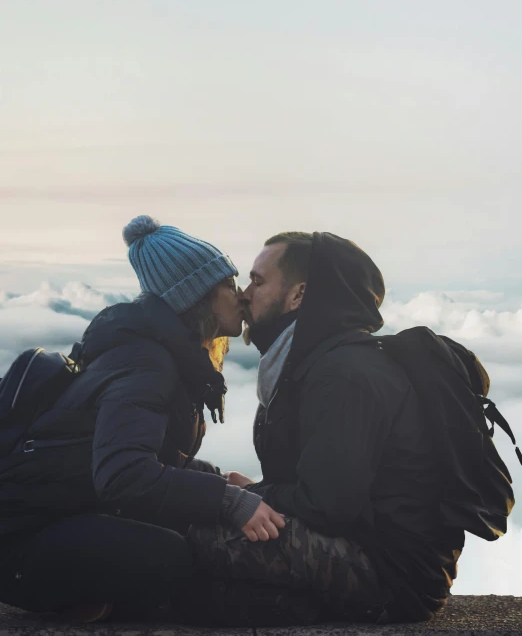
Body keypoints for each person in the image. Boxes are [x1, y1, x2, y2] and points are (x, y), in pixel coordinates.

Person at [0, 215, 284, 622]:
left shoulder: (160, 352)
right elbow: (124, 474)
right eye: (227, 282)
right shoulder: (146, 363)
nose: (240, 294)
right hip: (21, 538)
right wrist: (226, 501)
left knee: (178, 540)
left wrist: (220, 479)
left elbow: (148, 452)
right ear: (196, 296)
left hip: (61, 513)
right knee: (167, 556)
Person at [189, 231, 465, 624]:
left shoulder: (343, 374)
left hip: (390, 574)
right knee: (209, 514)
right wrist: (253, 495)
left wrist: (256, 493)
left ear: (299, 295)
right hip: (367, 550)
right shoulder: (310, 364)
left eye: (258, 280)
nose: (244, 294)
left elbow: (328, 506)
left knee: (197, 538)